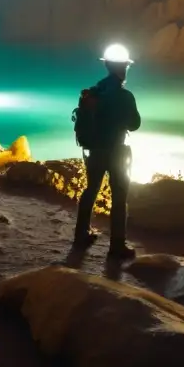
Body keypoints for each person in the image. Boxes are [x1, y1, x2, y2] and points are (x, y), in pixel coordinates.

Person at [73, 43, 141, 260]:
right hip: (116, 152)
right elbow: (135, 124)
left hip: (94, 151)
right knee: (119, 197)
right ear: (122, 68)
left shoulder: (94, 92)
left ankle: (81, 235)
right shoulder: (125, 96)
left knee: (91, 190)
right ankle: (117, 246)